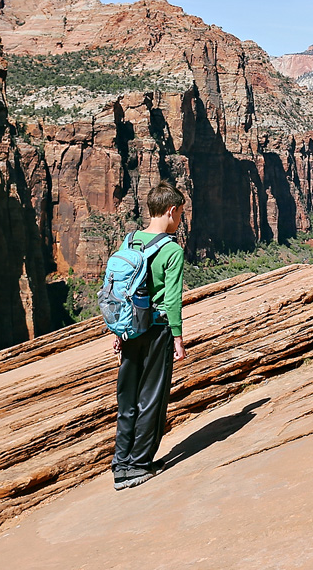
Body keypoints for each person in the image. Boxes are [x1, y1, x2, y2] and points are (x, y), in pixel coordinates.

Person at [111, 181, 186, 490]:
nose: (181, 219)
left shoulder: (129, 242)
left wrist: (115, 329)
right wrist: (178, 338)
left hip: (128, 328)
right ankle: (139, 464)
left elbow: (116, 289)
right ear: (171, 211)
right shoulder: (171, 249)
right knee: (151, 397)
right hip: (156, 330)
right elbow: (172, 299)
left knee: (127, 396)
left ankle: (121, 463)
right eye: (181, 213)